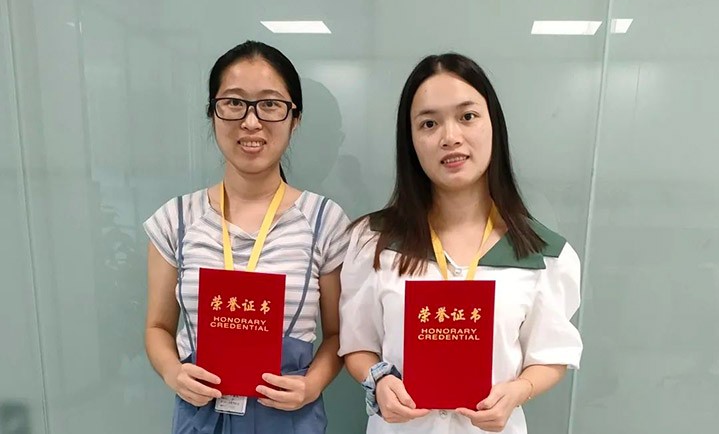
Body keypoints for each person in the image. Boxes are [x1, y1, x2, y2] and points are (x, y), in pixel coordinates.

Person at [338, 53, 583, 434]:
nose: (450, 137)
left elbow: (550, 354)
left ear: (493, 125)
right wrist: (379, 380)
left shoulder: (544, 254)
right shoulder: (372, 241)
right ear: (411, 140)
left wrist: (519, 390)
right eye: (429, 123)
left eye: (467, 116)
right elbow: (357, 344)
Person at [143, 40, 349, 434]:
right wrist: (174, 373)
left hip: (289, 419)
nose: (251, 122)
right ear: (212, 113)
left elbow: (339, 335)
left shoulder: (325, 221)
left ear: (295, 118)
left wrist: (311, 386)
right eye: (234, 103)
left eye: (270, 104)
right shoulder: (175, 220)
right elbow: (157, 327)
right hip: (201, 417)